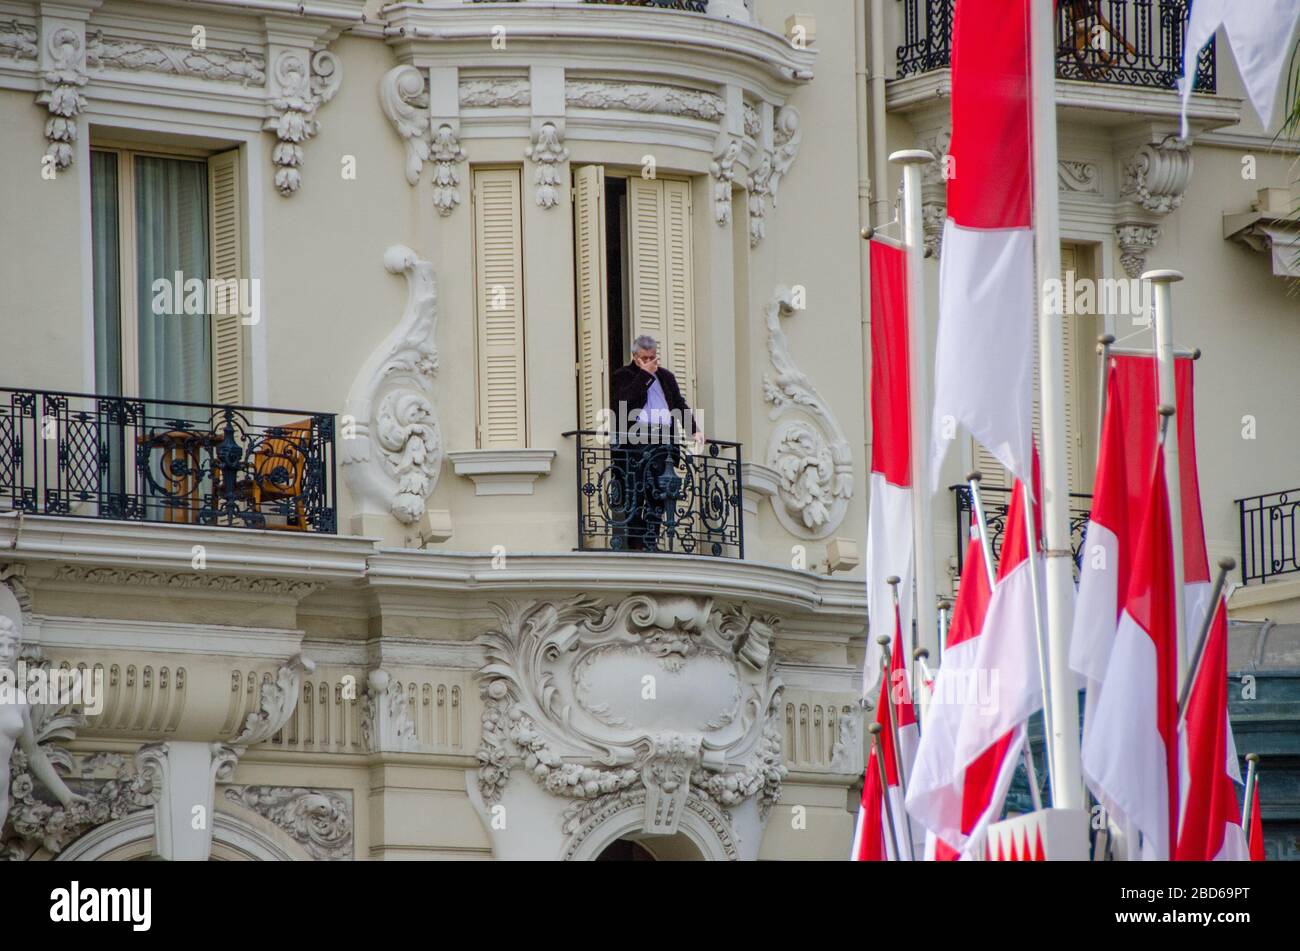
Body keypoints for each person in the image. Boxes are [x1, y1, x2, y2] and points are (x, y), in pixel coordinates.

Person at [609, 336, 706, 552]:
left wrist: (694, 430)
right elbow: (623, 402)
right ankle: (636, 542)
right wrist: (645, 375)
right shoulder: (623, 376)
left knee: (660, 492)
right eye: (645, 358)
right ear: (635, 357)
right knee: (636, 492)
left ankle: (651, 540)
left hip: (664, 441)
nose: (650, 361)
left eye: (653, 357)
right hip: (636, 441)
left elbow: (679, 405)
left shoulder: (666, 377)